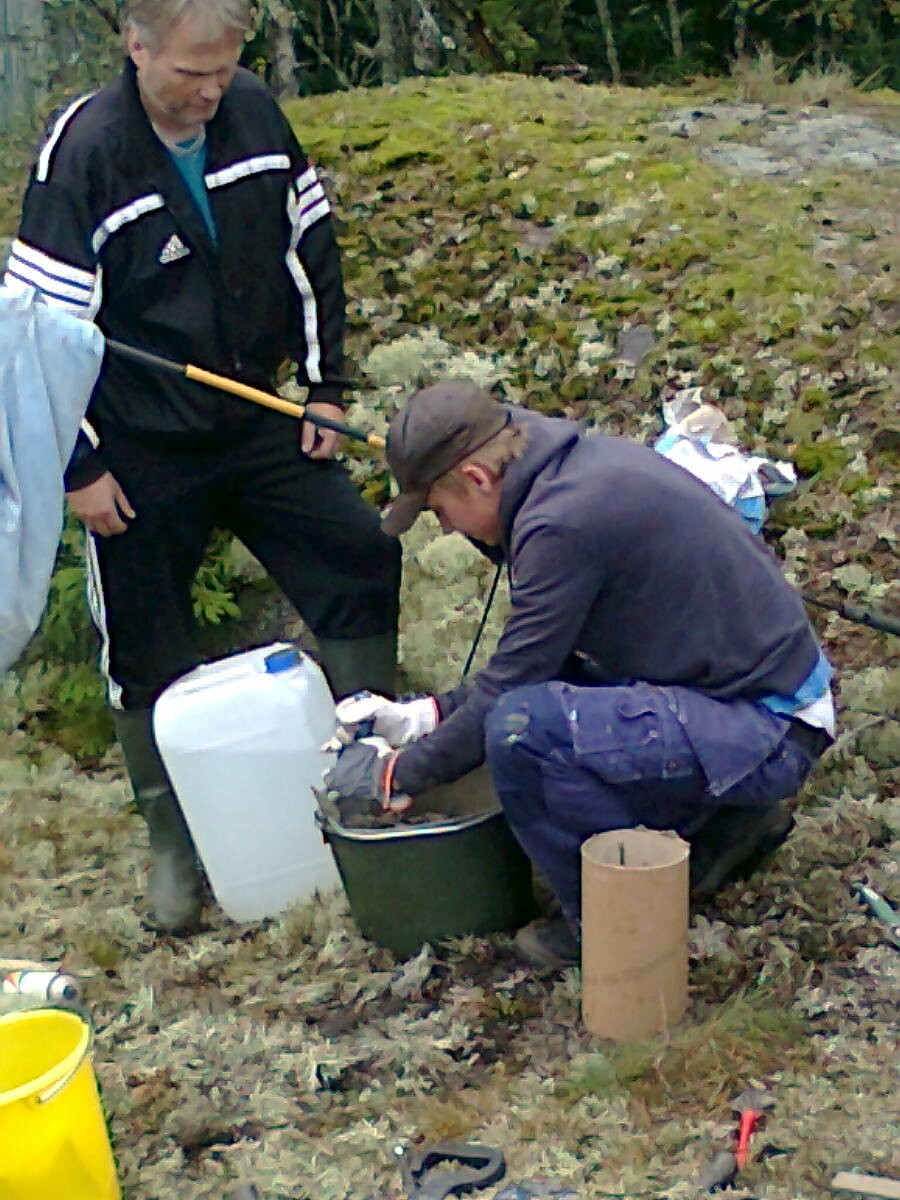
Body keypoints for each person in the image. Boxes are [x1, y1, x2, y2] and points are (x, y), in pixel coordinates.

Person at [4, 0, 400, 935]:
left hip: (256, 412)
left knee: (359, 557)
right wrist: (79, 465)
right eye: (190, 72)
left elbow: (313, 254)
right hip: (135, 447)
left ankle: (371, 775)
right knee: (145, 643)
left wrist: (327, 389)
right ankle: (177, 848)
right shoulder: (84, 155)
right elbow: (33, 343)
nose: (211, 91)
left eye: (224, 69)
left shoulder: (255, 116)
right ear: (135, 48)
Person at [325, 381, 835, 969]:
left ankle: (616, 924)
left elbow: (512, 691)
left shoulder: (560, 522)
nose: (444, 529)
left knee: (524, 732)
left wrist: (401, 775)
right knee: (544, 708)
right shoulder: (566, 471)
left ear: (477, 477)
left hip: (768, 725)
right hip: (747, 699)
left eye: (440, 509)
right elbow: (549, 658)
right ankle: (721, 831)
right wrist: (426, 716)